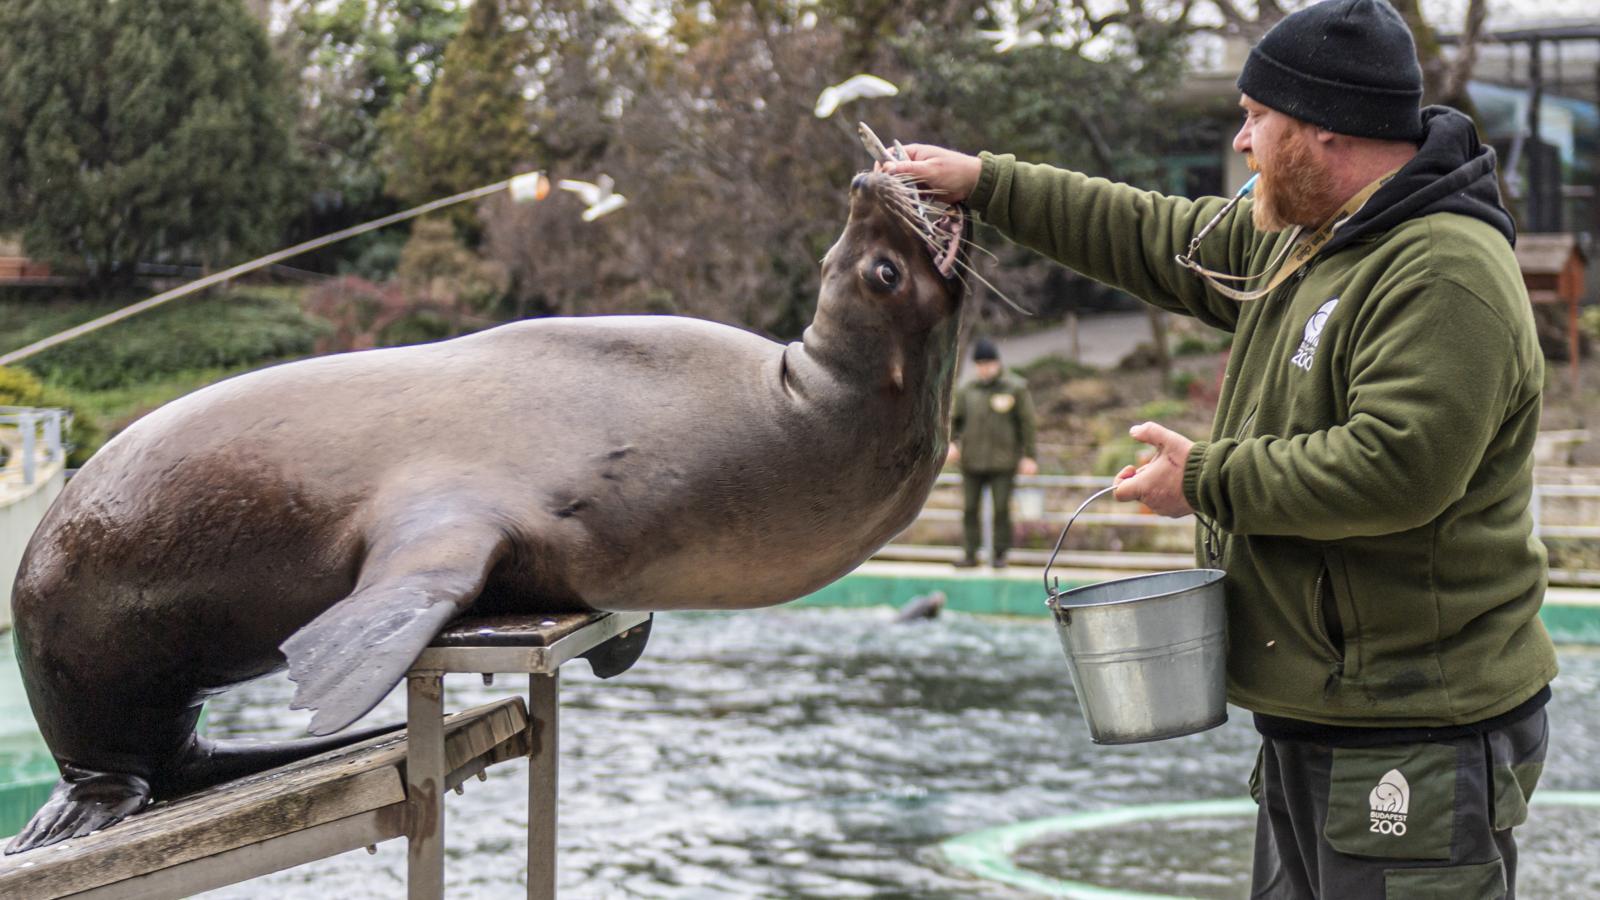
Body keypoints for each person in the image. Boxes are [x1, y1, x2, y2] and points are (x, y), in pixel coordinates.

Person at [886, 0, 1556, 896]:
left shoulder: (1442, 270)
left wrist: (1204, 479)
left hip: (1415, 731)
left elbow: (1396, 470)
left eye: (1256, 118)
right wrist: (988, 185)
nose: (1241, 142)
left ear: (1321, 130)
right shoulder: (1306, 240)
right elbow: (1153, 234)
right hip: (1317, 716)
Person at [949, 337, 1038, 568]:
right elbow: (954, 421)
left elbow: (1027, 424)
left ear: (997, 363)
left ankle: (1000, 553)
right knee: (969, 509)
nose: (984, 368)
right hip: (972, 461)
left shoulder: (1015, 387)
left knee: (1001, 509)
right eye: (980, 364)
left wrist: (1030, 456)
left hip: (1003, 461)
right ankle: (970, 553)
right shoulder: (967, 389)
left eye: (988, 363)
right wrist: (950, 443)